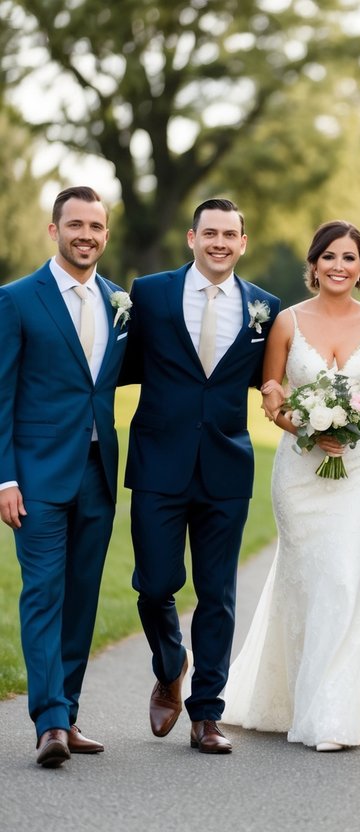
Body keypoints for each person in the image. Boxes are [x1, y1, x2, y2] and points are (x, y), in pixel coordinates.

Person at [222, 221, 360, 750]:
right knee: (307, 578)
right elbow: (273, 397)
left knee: (343, 576)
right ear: (313, 265)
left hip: (356, 471)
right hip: (299, 472)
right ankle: (293, 698)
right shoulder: (286, 322)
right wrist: (308, 425)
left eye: (350, 257)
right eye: (330, 256)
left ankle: (332, 716)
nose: (339, 265)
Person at [123, 198, 280, 754]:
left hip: (226, 465)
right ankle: (170, 665)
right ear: (192, 238)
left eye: (229, 234)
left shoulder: (266, 307)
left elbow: (276, 380)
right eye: (209, 233)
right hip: (157, 462)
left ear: (243, 242)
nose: (219, 242)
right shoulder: (149, 294)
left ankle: (206, 714)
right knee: (155, 583)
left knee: (217, 593)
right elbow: (115, 362)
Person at [0, 186, 125, 767]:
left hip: (98, 474)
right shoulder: (17, 299)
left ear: (105, 233)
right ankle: (48, 721)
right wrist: (5, 479)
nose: (86, 235)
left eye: (95, 226)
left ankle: (67, 714)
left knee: (81, 598)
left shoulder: (119, 302)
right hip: (37, 479)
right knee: (44, 592)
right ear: (54, 230)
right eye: (75, 224)